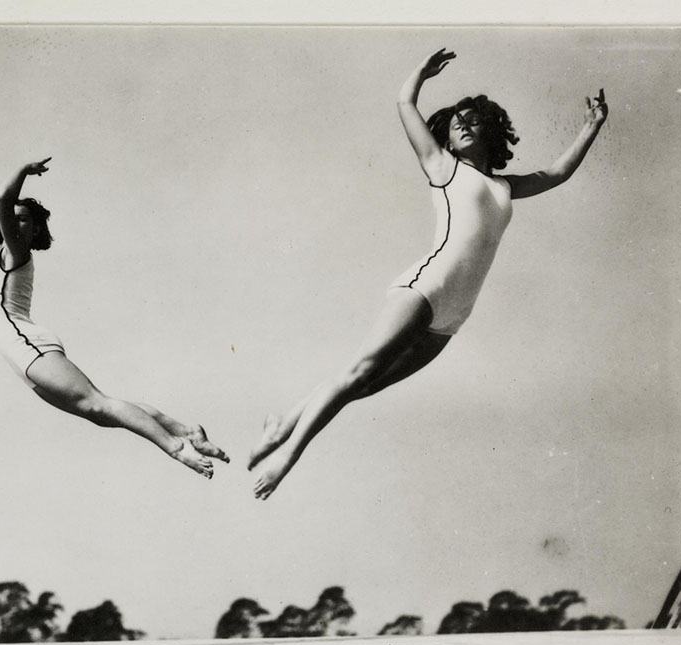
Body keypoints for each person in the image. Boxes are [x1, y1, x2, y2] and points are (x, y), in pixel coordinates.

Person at [249, 48, 608, 499]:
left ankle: (283, 423)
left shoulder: (504, 186)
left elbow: (555, 173)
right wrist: (420, 73)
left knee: (363, 386)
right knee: (359, 372)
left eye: (473, 118)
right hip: (427, 289)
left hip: (455, 315)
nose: (462, 123)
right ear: (447, 139)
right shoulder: (443, 167)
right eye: (456, 120)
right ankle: (286, 454)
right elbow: (405, 106)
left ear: (490, 131)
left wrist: (592, 126)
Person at [0, 158, 228, 478]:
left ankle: (178, 448)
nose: (17, 224)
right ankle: (187, 430)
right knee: (100, 412)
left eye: (25, 219)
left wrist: (24, 172)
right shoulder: (8, 253)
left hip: (27, 346)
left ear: (36, 228)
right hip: (20, 356)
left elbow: (3, 199)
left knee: (99, 403)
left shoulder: (17, 252)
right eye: (14, 220)